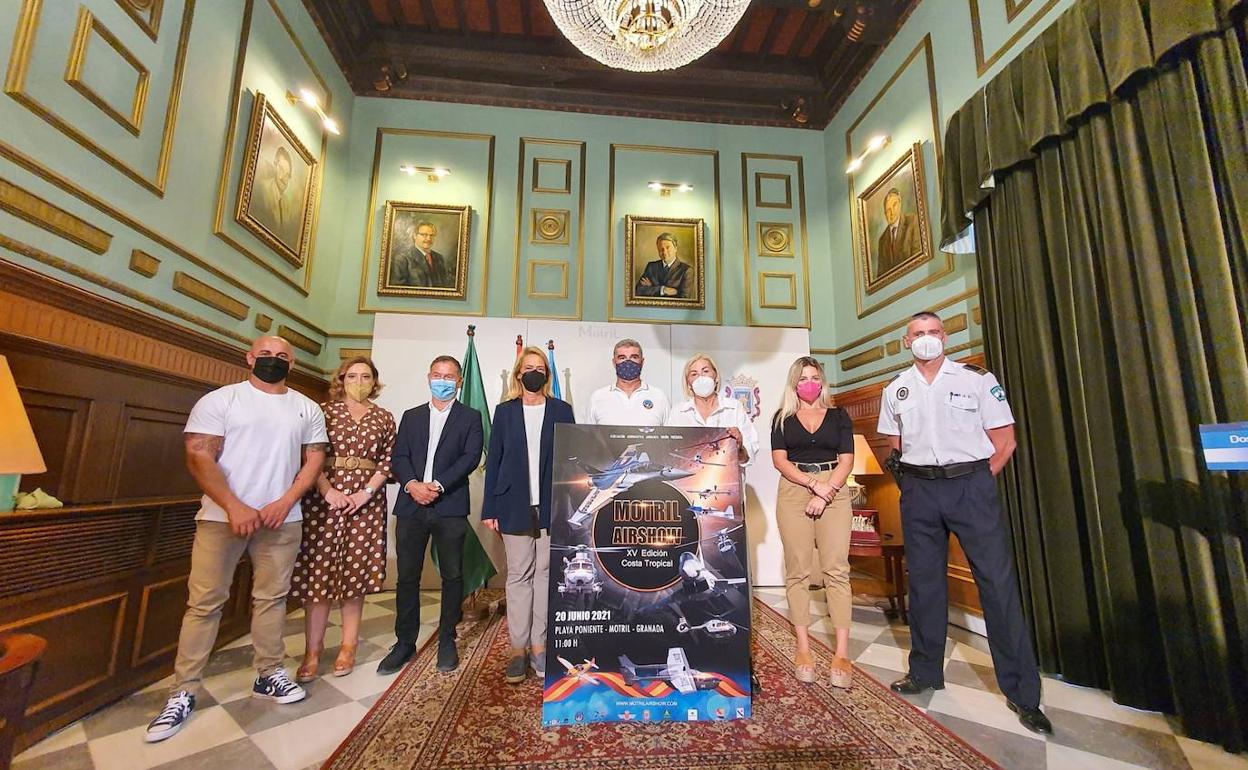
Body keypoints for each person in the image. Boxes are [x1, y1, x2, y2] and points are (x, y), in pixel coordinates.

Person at [145, 336, 327, 743]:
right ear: (249, 358)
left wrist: (286, 501)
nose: (273, 361)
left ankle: (269, 673)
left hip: (282, 518)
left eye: (282, 357)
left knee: (272, 599)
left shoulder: (306, 407)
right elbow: (198, 455)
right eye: (265, 354)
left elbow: (314, 458)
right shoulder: (221, 400)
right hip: (220, 518)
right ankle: (184, 690)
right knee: (205, 603)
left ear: (292, 364)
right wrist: (233, 505)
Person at [877, 312, 1052, 735]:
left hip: (971, 487)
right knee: (924, 584)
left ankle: (1023, 694)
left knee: (997, 584)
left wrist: (972, 480)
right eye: (917, 334)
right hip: (919, 492)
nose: (926, 340)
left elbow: (1005, 440)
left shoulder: (976, 380)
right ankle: (924, 672)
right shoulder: (894, 389)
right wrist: (919, 485)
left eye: (933, 333)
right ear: (906, 342)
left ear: (945, 337)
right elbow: (895, 444)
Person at [290, 356, 396, 682]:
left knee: (355, 576)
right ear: (341, 379)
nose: (359, 381)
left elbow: (387, 461)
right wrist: (327, 491)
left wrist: (364, 493)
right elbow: (310, 455)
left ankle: (348, 646)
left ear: (375, 381)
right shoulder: (322, 413)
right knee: (317, 578)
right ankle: (313, 650)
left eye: (366, 376)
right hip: (325, 502)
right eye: (353, 375)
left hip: (366, 503)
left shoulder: (384, 418)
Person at [379, 355, 484, 676]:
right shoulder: (410, 417)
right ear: (428, 377)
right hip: (411, 505)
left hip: (449, 505)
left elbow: (470, 457)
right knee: (407, 576)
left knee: (452, 575)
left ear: (460, 381)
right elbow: (399, 456)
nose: (443, 380)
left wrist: (437, 485)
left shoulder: (470, 417)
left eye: (450, 376)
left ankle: (447, 639)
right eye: (438, 375)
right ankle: (404, 642)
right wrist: (412, 485)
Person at [481, 347, 576, 684]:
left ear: (546, 376)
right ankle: (517, 649)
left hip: (552, 504)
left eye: (541, 368)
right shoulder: (504, 412)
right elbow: (495, 460)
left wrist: (571, 505)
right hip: (512, 503)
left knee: (546, 574)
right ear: (518, 373)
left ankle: (540, 646)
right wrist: (489, 507)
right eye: (528, 367)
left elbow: (572, 460)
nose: (534, 372)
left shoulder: (562, 410)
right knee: (519, 575)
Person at [769, 356, 856, 688]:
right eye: (803, 378)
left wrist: (827, 490)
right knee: (799, 570)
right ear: (795, 383)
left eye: (815, 377)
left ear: (822, 381)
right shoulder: (782, 418)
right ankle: (803, 648)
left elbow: (847, 458)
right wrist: (811, 486)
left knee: (836, 570)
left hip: (834, 490)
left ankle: (842, 653)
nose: (810, 382)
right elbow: (780, 460)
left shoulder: (839, 415)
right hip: (794, 492)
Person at [666, 353, 758, 467]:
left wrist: (739, 446)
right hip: (689, 481)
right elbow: (668, 453)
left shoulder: (734, 408)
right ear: (688, 383)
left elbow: (748, 459)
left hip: (727, 481)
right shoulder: (678, 412)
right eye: (694, 374)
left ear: (716, 377)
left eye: (705, 371)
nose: (701, 377)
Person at [587, 339, 670, 426]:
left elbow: (670, 436)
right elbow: (589, 437)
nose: (628, 362)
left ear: (642, 362)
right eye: (622, 358)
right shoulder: (597, 398)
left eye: (634, 357)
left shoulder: (660, 397)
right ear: (614, 363)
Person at [252, 145, 302, 249]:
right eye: (281, 170)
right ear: (275, 166)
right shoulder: (262, 189)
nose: (284, 177)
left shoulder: (285, 204)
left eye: (288, 175)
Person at [389, 220, 453, 288]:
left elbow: (445, 286)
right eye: (424, 235)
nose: (429, 239)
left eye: (432, 235)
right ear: (415, 236)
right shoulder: (402, 259)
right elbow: (397, 290)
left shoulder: (439, 258)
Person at [875, 188, 921, 275]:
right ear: (885, 214)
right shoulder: (882, 240)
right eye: (888, 210)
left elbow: (918, 259)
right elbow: (881, 275)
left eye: (894, 205)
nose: (891, 212)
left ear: (900, 204)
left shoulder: (913, 222)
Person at [634, 232, 692, 298]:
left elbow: (684, 299)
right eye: (660, 248)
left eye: (668, 247)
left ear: (675, 248)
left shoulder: (687, 270)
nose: (664, 252)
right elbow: (639, 290)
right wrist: (663, 290)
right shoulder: (651, 267)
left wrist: (652, 287)